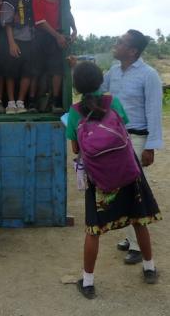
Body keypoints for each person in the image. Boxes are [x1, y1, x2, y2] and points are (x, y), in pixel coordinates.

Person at [67, 61, 161, 299]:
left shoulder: (74, 112)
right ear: (101, 81)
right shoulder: (114, 103)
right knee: (139, 221)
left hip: (98, 179)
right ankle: (149, 268)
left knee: (93, 230)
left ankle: (88, 282)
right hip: (127, 171)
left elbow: (76, 147)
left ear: (76, 85)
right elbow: (123, 131)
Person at [100, 29, 163, 264]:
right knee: (122, 187)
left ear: (133, 51)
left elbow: (154, 112)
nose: (115, 43)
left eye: (121, 42)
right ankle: (131, 235)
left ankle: (137, 246)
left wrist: (151, 147)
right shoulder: (114, 71)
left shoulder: (149, 75)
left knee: (131, 190)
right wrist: (78, 69)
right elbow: (97, 88)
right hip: (116, 139)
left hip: (137, 139)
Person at [29, 0, 77, 112]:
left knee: (57, 70)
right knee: (36, 70)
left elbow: (66, 11)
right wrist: (57, 36)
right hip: (42, 36)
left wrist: (74, 28)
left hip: (57, 35)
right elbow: (40, 21)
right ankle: (31, 102)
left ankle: (56, 102)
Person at [0, 0, 34, 114]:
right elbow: (6, 22)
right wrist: (11, 43)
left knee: (27, 71)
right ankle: (11, 102)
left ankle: (21, 102)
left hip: (30, 40)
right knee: (11, 72)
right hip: (16, 40)